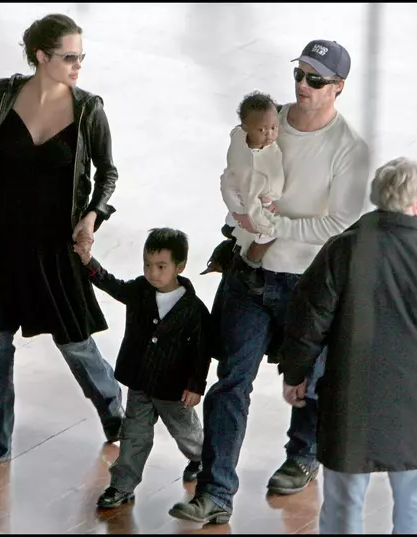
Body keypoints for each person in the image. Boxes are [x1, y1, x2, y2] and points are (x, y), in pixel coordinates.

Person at [169, 39, 370, 524]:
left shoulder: (349, 150)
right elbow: (234, 177)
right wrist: (243, 219)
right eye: (300, 74)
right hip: (250, 278)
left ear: (339, 88)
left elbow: (340, 222)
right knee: (231, 381)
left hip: (309, 287)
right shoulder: (263, 122)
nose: (303, 85)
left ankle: (303, 454)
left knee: (312, 382)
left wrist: (276, 228)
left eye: (316, 79)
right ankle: (215, 493)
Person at [279, 157, 417, 534]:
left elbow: (307, 319)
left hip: (350, 394)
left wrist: (297, 372)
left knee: (345, 497)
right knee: (413, 495)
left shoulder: (342, 251)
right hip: (415, 401)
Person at [0, 13, 124, 476]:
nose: (78, 65)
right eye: (70, 57)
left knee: (76, 344)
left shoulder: (89, 109)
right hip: (4, 242)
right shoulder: (4, 95)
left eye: (82, 56)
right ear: (41, 57)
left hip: (56, 248)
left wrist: (91, 216)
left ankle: (113, 410)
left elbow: (107, 173)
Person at [72, 228, 212, 509]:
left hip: (174, 392)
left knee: (187, 435)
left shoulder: (194, 310)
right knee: (133, 436)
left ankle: (203, 461)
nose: (153, 273)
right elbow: (111, 284)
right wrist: (88, 261)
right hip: (140, 384)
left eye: (161, 267)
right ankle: (122, 485)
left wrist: (195, 386)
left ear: (179, 267)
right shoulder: (139, 291)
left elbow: (201, 352)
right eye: (147, 265)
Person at [220, 91, 285, 270]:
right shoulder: (254, 159)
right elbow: (250, 195)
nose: (270, 134)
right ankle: (250, 263)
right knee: (271, 230)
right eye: (262, 129)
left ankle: (232, 227)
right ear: (246, 127)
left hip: (245, 191)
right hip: (248, 195)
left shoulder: (239, 135)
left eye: (274, 127)